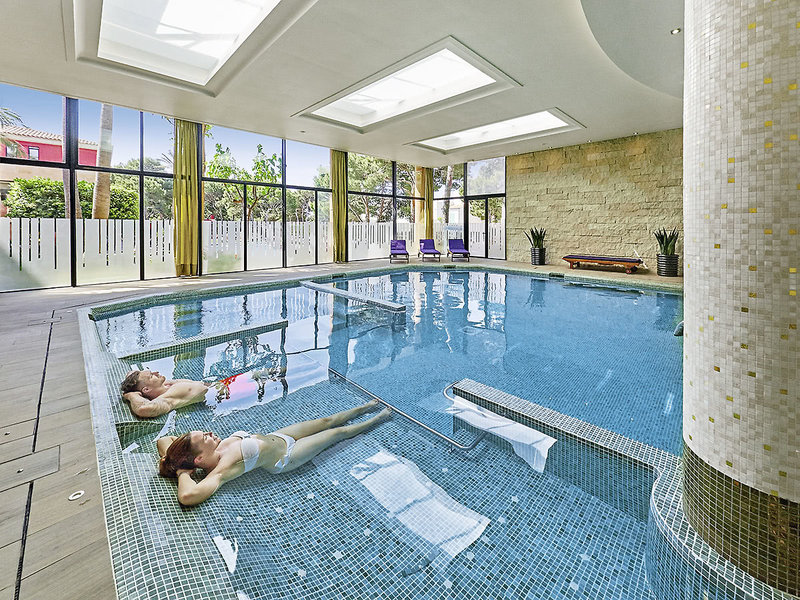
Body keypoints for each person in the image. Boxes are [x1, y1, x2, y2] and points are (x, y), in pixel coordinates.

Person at [157, 401, 391, 506]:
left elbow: (163, 441)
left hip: (278, 436)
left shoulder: (212, 450)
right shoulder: (221, 470)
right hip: (286, 456)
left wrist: (174, 462)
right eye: (205, 438)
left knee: (325, 421)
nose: (210, 433)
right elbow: (187, 496)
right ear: (199, 459)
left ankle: (366, 406)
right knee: (337, 433)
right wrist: (182, 473)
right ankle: (378, 418)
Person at [120, 370, 211, 418]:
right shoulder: (167, 398)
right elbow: (143, 408)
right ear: (146, 389)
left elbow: (131, 374)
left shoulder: (166, 384)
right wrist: (131, 395)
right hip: (217, 395)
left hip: (216, 386)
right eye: (151, 376)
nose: (156, 372)